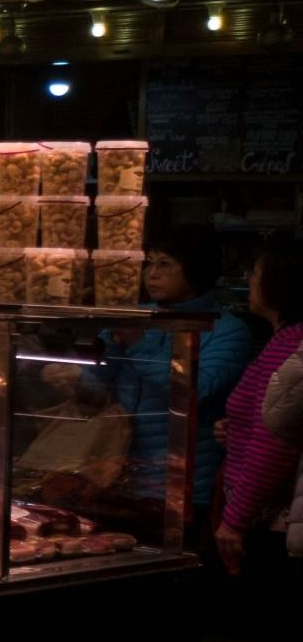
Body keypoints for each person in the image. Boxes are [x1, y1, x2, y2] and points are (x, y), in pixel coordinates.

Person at [216, 240, 303, 642]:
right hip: (266, 513)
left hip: (271, 518)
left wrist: (235, 519)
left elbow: (276, 447)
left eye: (258, 272)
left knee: (286, 636)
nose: (250, 279)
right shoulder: (279, 341)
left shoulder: (292, 345)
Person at [106, 225, 262, 524]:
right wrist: (76, 374)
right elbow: (103, 386)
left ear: (195, 269)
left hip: (184, 485)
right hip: (120, 479)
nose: (151, 274)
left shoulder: (226, 329)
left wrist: (138, 345)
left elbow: (196, 390)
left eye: (164, 264)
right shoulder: (138, 316)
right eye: (148, 263)